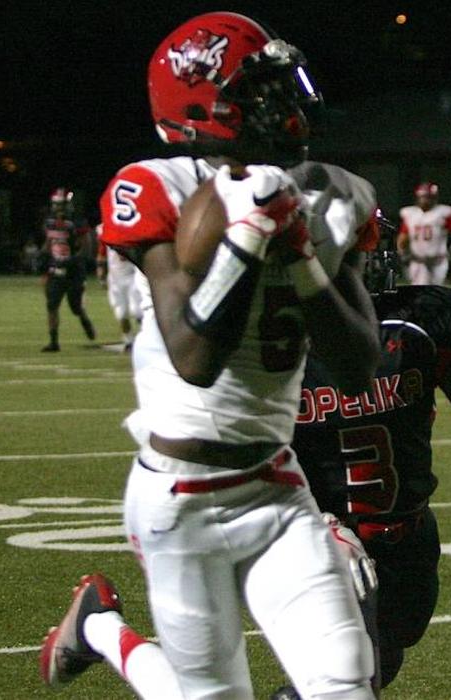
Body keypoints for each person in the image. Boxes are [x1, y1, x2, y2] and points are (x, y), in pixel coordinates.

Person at [40, 12, 381, 699]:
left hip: (276, 486)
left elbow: (357, 368)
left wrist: (303, 255)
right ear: (207, 103)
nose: (287, 104)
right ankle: (101, 627)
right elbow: (194, 355)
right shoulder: (156, 186)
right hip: (179, 497)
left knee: (347, 683)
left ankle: (99, 628)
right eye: (262, 90)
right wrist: (249, 238)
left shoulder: (331, 193)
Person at [271, 221, 451, 697]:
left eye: (371, 250)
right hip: (322, 539)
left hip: (407, 536)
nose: (373, 260)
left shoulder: (416, 328)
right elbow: (249, 455)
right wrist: (311, 524)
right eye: (358, 251)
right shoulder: (282, 342)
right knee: (347, 677)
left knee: (387, 654)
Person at [40, 187, 96, 352]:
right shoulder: (49, 221)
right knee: (52, 305)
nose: (58, 209)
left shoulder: (76, 221)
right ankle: (54, 341)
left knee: (75, 307)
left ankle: (83, 318)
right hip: (56, 268)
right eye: (56, 205)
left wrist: (74, 260)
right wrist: (43, 256)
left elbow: (87, 246)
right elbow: (50, 241)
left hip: (73, 271)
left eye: (61, 205)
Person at [396, 181, 451, 286]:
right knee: (419, 291)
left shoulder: (442, 213)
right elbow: (403, 236)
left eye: (429, 197)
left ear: (435, 198)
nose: (426, 200)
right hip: (417, 261)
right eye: (423, 197)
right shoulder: (411, 214)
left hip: (437, 261)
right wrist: (402, 251)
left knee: (435, 291)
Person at [95, 223, 145, 351]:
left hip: (133, 275)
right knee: (121, 313)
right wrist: (101, 271)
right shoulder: (105, 230)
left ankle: (147, 336)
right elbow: (102, 252)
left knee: (137, 310)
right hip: (116, 278)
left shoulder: (134, 226)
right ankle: (128, 340)